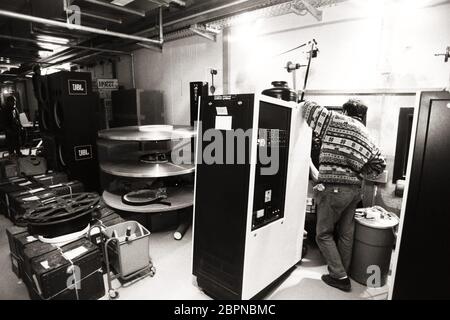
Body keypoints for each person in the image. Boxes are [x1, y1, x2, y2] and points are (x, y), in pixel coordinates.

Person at [300, 99, 386, 292]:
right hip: (355, 190)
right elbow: (380, 165)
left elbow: (308, 107)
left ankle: (339, 276)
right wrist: (358, 171)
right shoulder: (366, 134)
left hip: (333, 189)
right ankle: (343, 271)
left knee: (323, 234)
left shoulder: (334, 120)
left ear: (345, 111)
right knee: (346, 234)